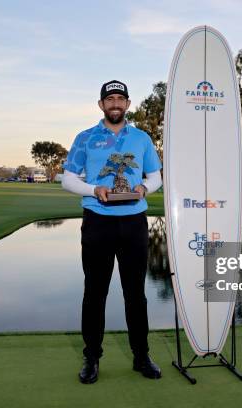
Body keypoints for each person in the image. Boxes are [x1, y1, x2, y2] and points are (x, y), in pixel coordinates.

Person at [62, 80, 163, 384]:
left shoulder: (141, 138)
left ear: (128, 104)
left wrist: (145, 187)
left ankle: (141, 355)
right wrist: (94, 189)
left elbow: (155, 175)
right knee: (95, 293)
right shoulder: (86, 138)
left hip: (133, 223)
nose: (115, 104)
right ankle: (91, 358)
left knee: (136, 294)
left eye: (120, 99)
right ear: (101, 105)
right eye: (110, 99)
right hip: (98, 222)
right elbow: (68, 179)